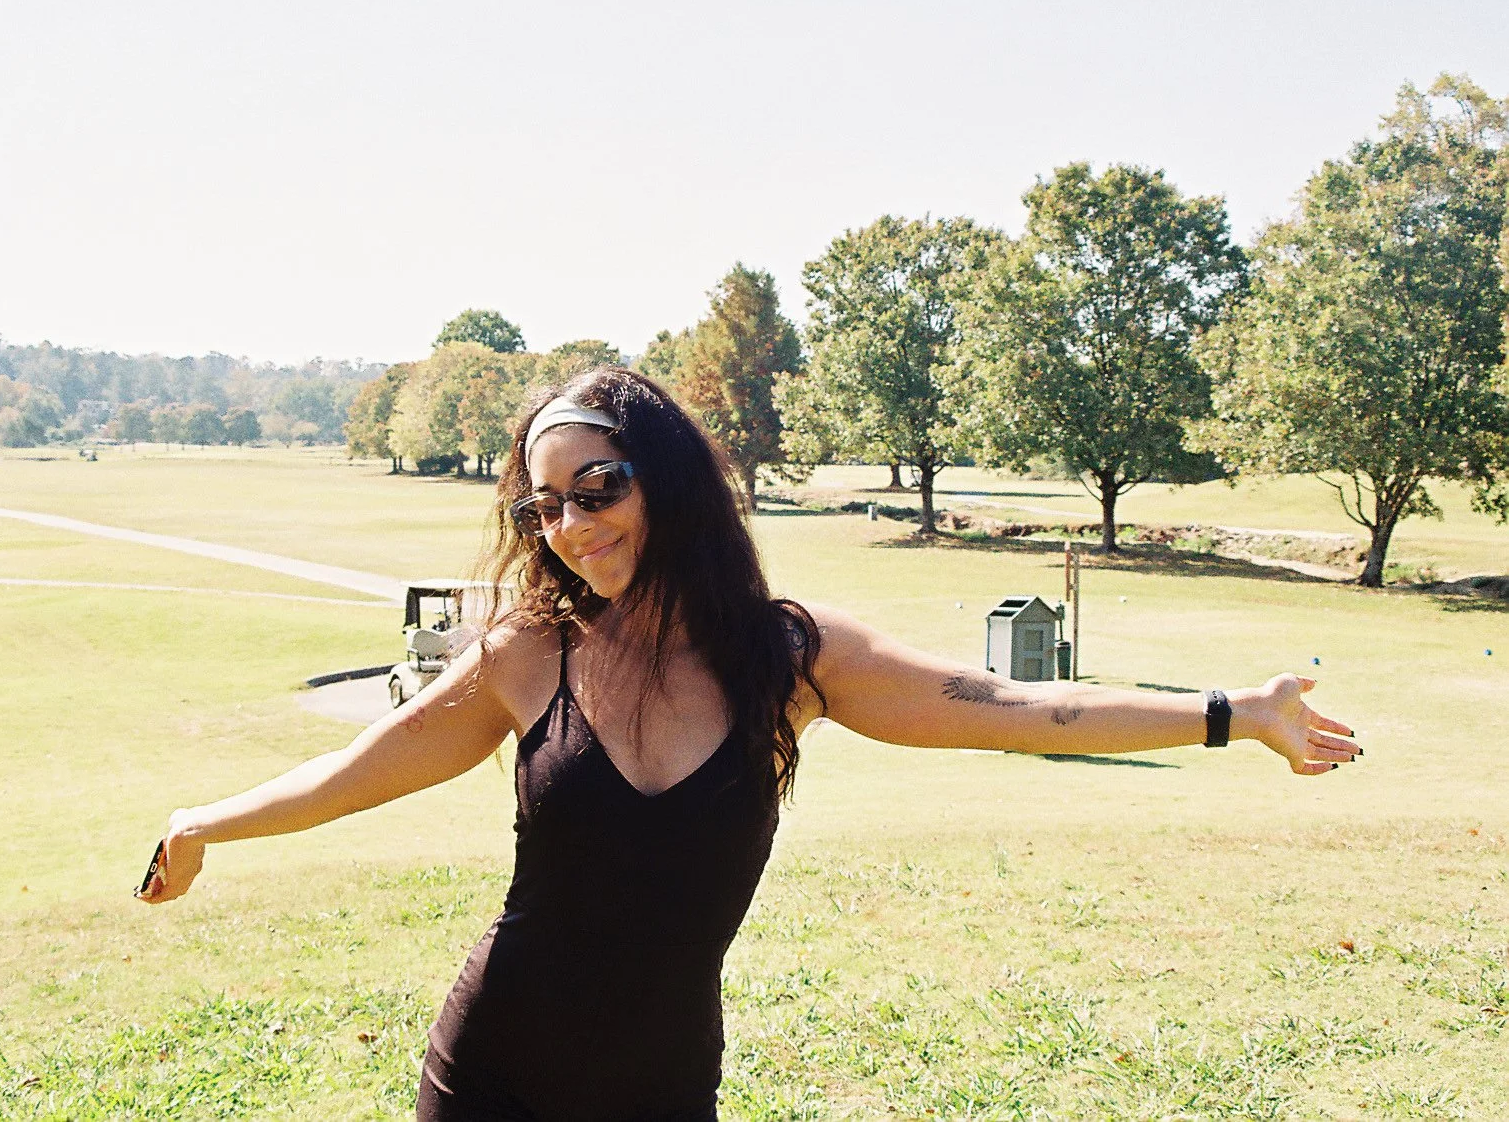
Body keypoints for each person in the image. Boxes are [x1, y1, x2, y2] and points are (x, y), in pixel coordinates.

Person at [141, 367, 1359, 1121]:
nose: (570, 525)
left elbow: (1015, 710)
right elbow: (366, 768)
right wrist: (209, 823)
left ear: (662, 478)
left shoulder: (790, 657)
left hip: (664, 1085)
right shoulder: (530, 654)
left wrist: (1231, 715)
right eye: (542, 504)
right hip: (495, 1075)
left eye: (598, 485)